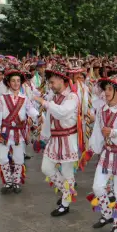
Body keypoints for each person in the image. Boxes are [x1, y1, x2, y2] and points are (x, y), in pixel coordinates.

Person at [85, 73, 117, 232]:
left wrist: (114, 132)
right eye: (105, 89)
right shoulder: (101, 110)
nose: (105, 92)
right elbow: (98, 132)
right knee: (98, 187)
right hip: (107, 153)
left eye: (109, 89)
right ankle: (107, 214)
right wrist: (94, 147)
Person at [34, 64, 80, 217]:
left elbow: (61, 113)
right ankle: (67, 192)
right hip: (55, 139)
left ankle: (65, 203)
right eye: (50, 82)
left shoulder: (72, 97)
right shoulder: (54, 97)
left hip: (68, 139)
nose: (51, 85)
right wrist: (44, 137)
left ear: (62, 80)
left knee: (67, 173)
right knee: (46, 168)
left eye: (53, 82)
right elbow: (49, 118)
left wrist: (44, 103)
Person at [0, 69, 39, 193]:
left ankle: (16, 182)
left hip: (19, 132)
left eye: (18, 81)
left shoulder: (24, 98)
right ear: (8, 83)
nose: (16, 83)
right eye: (13, 81)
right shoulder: (2, 98)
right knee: (3, 157)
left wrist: (38, 117)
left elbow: (31, 110)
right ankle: (8, 182)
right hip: (5, 131)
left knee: (19, 157)